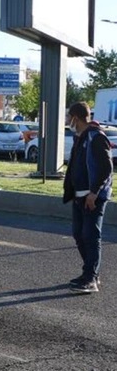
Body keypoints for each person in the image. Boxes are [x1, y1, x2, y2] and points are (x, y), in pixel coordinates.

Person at [62, 101, 112, 293]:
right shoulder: (80, 137)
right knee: (79, 234)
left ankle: (91, 278)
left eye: (69, 117)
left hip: (93, 197)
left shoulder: (96, 137)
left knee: (91, 236)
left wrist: (94, 192)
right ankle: (90, 274)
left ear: (76, 118)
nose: (67, 120)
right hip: (79, 196)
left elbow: (106, 168)